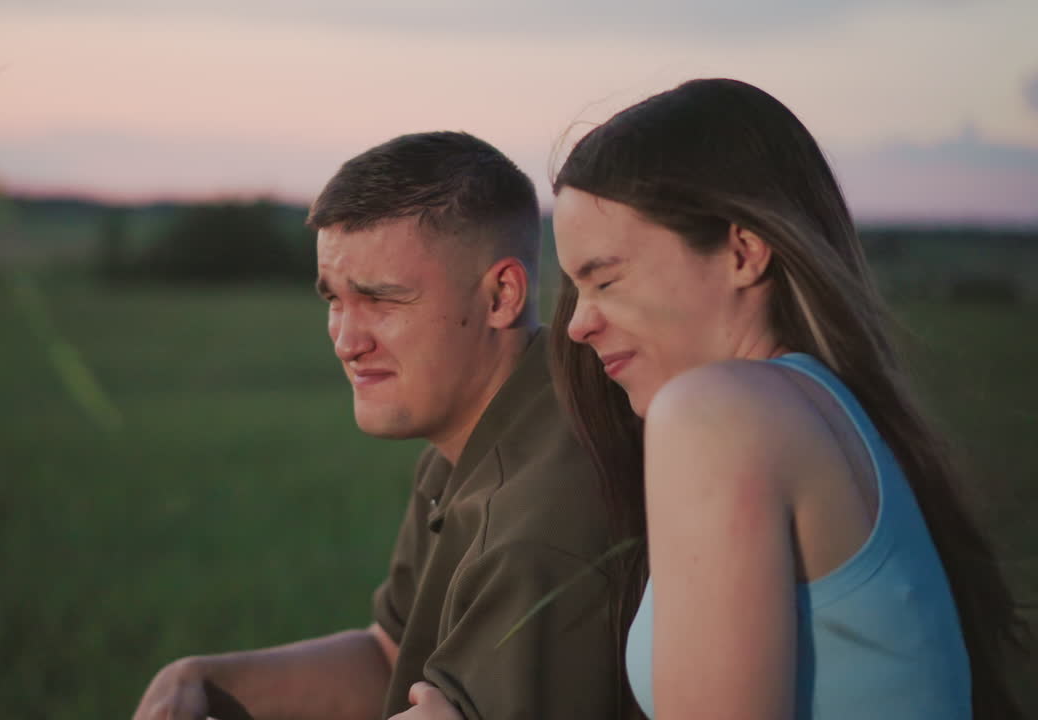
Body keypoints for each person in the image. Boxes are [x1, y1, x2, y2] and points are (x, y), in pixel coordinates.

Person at [396, 79, 1030, 720]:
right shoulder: (813, 409)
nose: (578, 324)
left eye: (607, 280)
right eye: (574, 290)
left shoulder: (719, 416)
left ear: (742, 251)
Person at [133, 131, 636, 720]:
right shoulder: (477, 436)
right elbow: (391, 658)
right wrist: (200, 680)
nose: (347, 341)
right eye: (334, 300)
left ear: (502, 295)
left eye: (383, 301)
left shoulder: (539, 523)